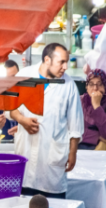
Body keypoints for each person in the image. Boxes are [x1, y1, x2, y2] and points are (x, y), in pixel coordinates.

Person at [7, 43, 84, 199]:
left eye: (66, 62)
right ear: (47, 60)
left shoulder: (68, 85)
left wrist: (73, 152)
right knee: (24, 207)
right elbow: (9, 108)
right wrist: (22, 120)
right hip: (26, 154)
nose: (65, 67)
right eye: (61, 62)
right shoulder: (24, 76)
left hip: (52, 161)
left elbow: (75, 124)